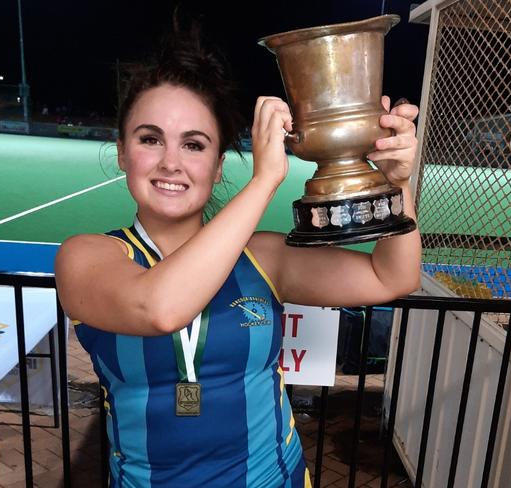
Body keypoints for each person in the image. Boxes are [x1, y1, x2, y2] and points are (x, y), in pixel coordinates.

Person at [55, 21, 421, 488]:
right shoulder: (86, 257)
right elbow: (159, 307)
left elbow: (393, 276)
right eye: (150, 139)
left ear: (217, 163)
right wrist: (263, 181)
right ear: (123, 154)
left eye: (194, 144)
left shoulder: (263, 257)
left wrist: (396, 182)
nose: (171, 162)